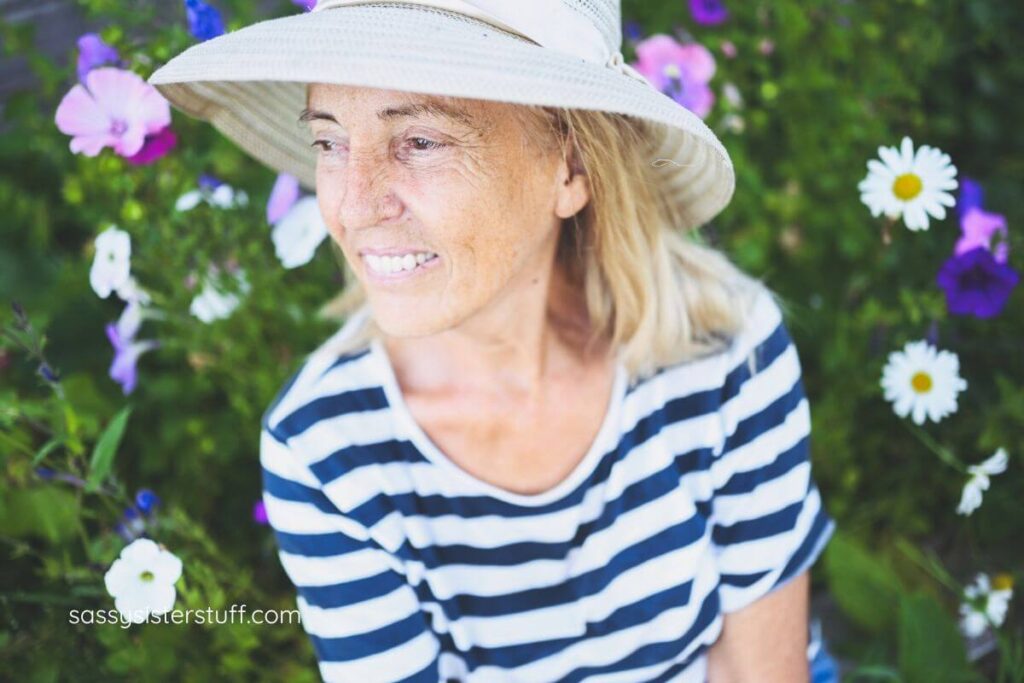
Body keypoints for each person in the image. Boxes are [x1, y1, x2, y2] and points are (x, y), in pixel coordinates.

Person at [149, 1, 839, 681]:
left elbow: (761, 670)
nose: (354, 206)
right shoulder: (328, 448)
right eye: (330, 140)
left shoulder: (721, 349)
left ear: (571, 169)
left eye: (419, 141)